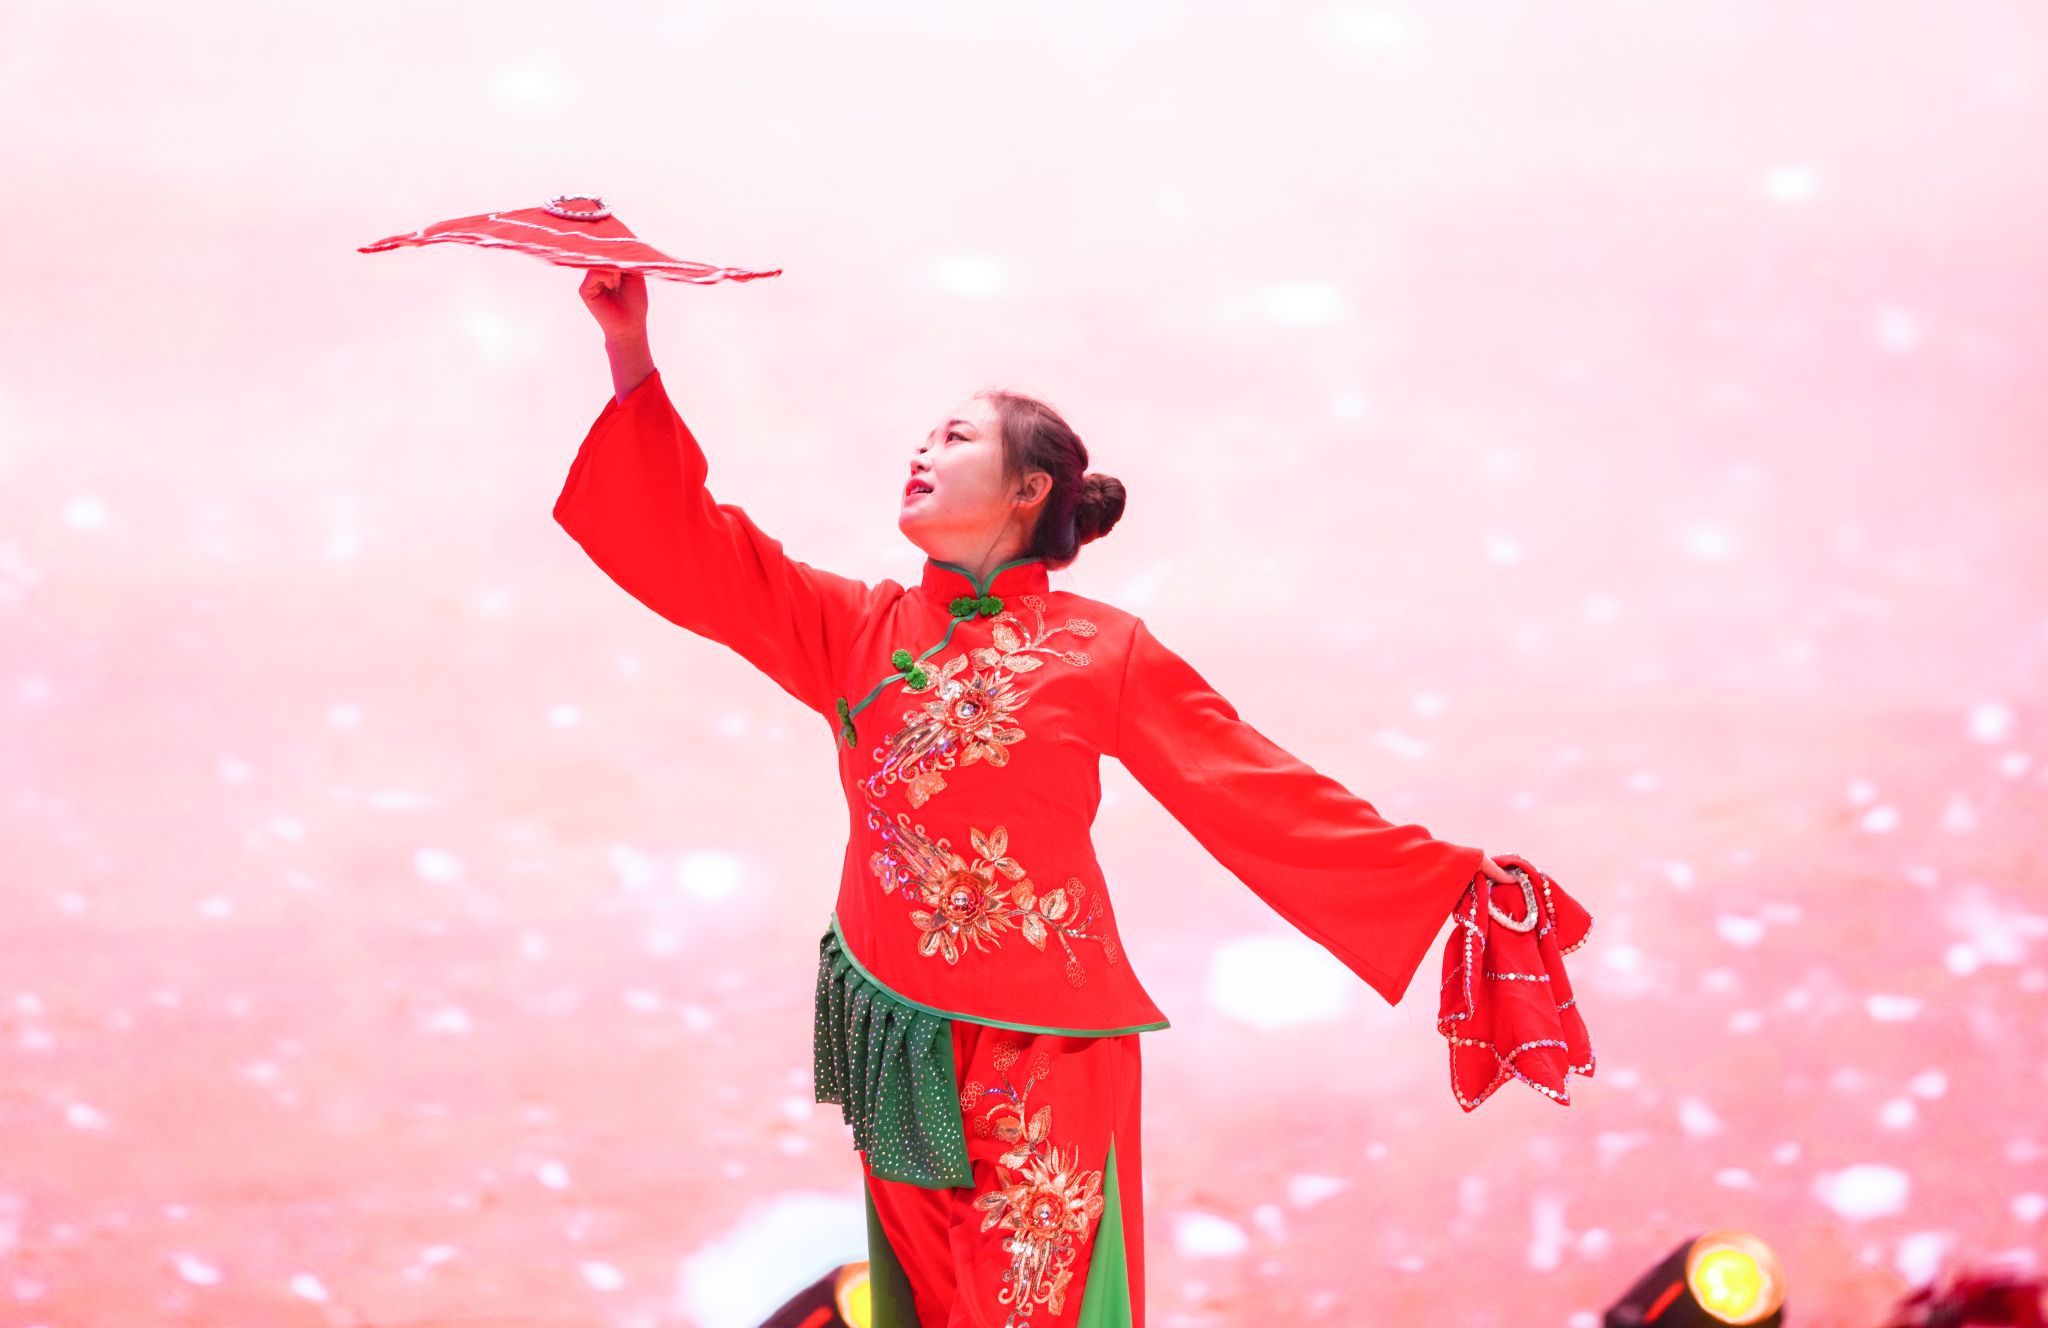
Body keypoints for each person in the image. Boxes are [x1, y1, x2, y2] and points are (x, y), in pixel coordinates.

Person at [557, 267, 1521, 1328]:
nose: (921, 452)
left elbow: (1248, 784)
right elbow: (690, 544)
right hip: (898, 1028)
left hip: (1045, 1041)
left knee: (1029, 1312)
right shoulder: (853, 631)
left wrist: (1439, 876)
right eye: (923, 437)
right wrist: (628, 349)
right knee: (930, 1310)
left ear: (1029, 489)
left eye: (955, 436)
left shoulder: (1099, 649)